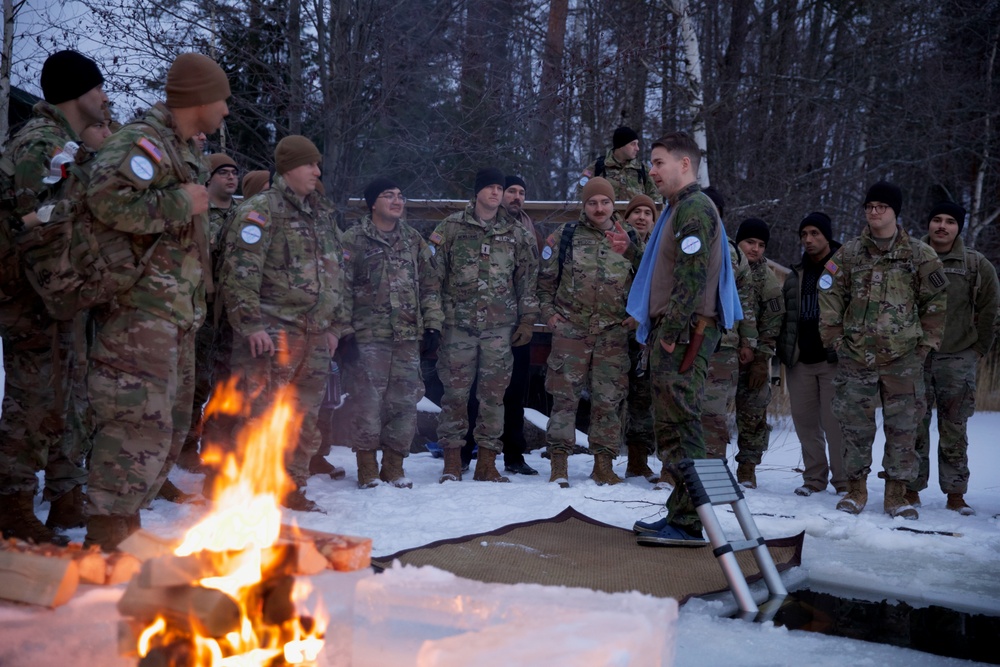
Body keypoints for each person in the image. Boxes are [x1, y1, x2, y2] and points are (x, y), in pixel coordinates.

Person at [84, 52, 228, 550]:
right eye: (222, 99)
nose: (226, 110)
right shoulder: (143, 142)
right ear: (201, 98)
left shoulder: (180, 148)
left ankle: (124, 529)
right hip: (140, 314)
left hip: (175, 315)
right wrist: (178, 202)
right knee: (132, 424)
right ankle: (105, 537)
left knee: (166, 428)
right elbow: (103, 199)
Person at [0, 49, 108, 545]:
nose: (104, 97)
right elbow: (38, 229)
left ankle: (64, 498)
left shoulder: (61, 145)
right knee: (31, 401)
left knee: (65, 398)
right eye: (98, 87)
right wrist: (68, 294)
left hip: (55, 298)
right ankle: (12, 506)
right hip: (34, 299)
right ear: (76, 92)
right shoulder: (42, 147)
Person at [220, 135, 349, 512]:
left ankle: (291, 487)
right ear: (289, 167)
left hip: (314, 337)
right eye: (310, 164)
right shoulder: (261, 212)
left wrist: (333, 327)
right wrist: (251, 325)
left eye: (317, 164)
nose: (317, 171)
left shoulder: (321, 215)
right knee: (259, 417)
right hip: (274, 335)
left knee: (303, 420)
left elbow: (334, 273)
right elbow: (240, 274)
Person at [819, 181, 947, 520]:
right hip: (857, 357)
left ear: (895, 212)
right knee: (855, 426)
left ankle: (896, 493)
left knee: (904, 428)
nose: (874, 212)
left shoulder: (920, 254)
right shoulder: (848, 254)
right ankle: (856, 489)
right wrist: (834, 339)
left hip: (902, 358)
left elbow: (935, 303)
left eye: (882, 207)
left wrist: (924, 347)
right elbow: (829, 295)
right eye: (870, 206)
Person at [628, 131, 726, 546]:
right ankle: (681, 512)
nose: (652, 171)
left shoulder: (694, 211)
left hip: (684, 335)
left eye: (658, 162)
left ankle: (689, 522)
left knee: (682, 428)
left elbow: (692, 276)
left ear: (684, 164)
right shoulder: (678, 209)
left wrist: (668, 334)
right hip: (678, 333)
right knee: (671, 428)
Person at [429, 168, 539, 483]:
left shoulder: (517, 233)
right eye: (489, 187)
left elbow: (527, 282)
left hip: (498, 329)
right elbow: (432, 278)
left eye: (499, 187)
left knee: (493, 396)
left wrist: (528, 319)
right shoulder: (450, 228)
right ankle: (452, 460)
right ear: (477, 191)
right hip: (458, 327)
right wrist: (434, 320)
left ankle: (487, 463)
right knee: (455, 395)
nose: (495, 192)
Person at [538, 177, 640, 487]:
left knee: (608, 401)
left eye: (605, 202)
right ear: (584, 205)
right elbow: (544, 283)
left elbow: (647, 282)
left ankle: (604, 465)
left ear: (613, 205)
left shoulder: (630, 238)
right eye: (592, 202)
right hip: (571, 330)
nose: (599, 208)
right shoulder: (565, 236)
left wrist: (637, 316)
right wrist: (550, 315)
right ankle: (559, 463)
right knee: (564, 399)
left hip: (612, 333)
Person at [341, 178, 443, 488]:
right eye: (389, 196)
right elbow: (339, 287)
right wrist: (344, 331)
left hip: (407, 337)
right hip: (368, 337)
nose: (397, 200)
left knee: (404, 403)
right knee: (367, 403)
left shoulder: (412, 240)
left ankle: (394, 466)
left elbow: (429, 284)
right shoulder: (353, 239)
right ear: (373, 203)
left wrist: (433, 324)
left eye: (400, 195)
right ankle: (367, 467)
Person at [908, 201, 999, 515]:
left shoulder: (975, 264)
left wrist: (977, 349)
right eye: (936, 219)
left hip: (957, 359)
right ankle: (910, 490)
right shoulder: (910, 256)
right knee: (913, 427)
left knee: (954, 430)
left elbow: (990, 310)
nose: (941, 226)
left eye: (949, 221)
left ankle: (956, 494)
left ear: (959, 227)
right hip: (916, 356)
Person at [176, 152, 240, 474]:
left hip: (230, 314)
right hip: (201, 308)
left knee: (225, 383)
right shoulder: (199, 214)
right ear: (209, 178)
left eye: (234, 173)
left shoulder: (243, 215)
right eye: (223, 172)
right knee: (196, 382)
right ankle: (186, 447)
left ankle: (214, 447)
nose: (231, 178)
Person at [778, 212, 847, 497]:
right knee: (805, 423)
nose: (808, 239)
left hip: (834, 360)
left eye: (815, 233)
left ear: (827, 235)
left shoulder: (844, 269)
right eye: (804, 234)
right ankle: (814, 479)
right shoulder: (796, 275)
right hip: (801, 361)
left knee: (836, 424)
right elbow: (787, 317)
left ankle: (844, 482)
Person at [700, 207, 757, 467]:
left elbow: (745, 301)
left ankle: (713, 469)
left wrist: (748, 342)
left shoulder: (733, 253)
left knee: (714, 412)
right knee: (679, 407)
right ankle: (675, 470)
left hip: (723, 346)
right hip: (683, 341)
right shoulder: (678, 242)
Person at [733, 218, 784, 488]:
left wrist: (762, 359)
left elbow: (772, 322)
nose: (755, 249)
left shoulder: (768, 280)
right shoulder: (725, 266)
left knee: (753, 413)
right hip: (723, 352)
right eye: (750, 242)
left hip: (753, 358)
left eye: (761, 244)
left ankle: (747, 468)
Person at [498, 175, 542, 476]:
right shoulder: (478, 224)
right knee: (475, 392)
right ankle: (465, 452)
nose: (517, 197)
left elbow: (532, 279)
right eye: (511, 191)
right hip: (479, 324)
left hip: (518, 324)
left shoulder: (528, 231)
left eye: (521, 192)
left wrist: (528, 319)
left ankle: (514, 455)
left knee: (516, 393)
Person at [621, 194, 659, 482]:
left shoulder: (660, 247)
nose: (642, 217)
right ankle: (604, 459)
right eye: (636, 212)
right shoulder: (615, 244)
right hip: (615, 331)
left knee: (642, 399)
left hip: (646, 336)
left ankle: (638, 460)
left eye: (648, 212)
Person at [579, 126, 660, 201]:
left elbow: (656, 200)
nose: (637, 148)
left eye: (637, 144)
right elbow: (581, 197)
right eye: (633, 144)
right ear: (621, 145)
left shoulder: (643, 170)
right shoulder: (597, 167)